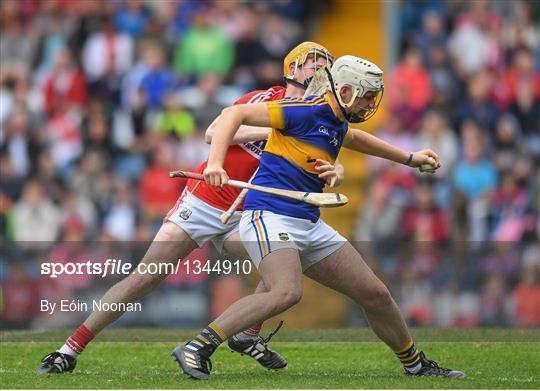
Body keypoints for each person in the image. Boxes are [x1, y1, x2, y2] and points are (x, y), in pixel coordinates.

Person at [37, 42, 340, 374]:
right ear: (292, 69)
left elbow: (320, 165)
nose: (321, 70)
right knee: (146, 277)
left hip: (250, 213)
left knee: (283, 266)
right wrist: (276, 131)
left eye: (326, 65)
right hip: (205, 201)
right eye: (314, 63)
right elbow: (213, 132)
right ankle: (69, 349)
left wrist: (335, 171)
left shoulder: (319, 121)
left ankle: (246, 335)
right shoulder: (264, 99)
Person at [174, 55, 466, 380]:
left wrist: (409, 158)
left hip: (308, 222)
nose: (371, 104)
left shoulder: (339, 119)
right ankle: (197, 346)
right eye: (367, 96)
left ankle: (416, 365)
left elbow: (353, 139)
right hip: (269, 216)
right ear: (343, 90)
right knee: (286, 291)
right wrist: (215, 164)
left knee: (376, 294)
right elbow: (234, 113)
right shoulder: (303, 110)